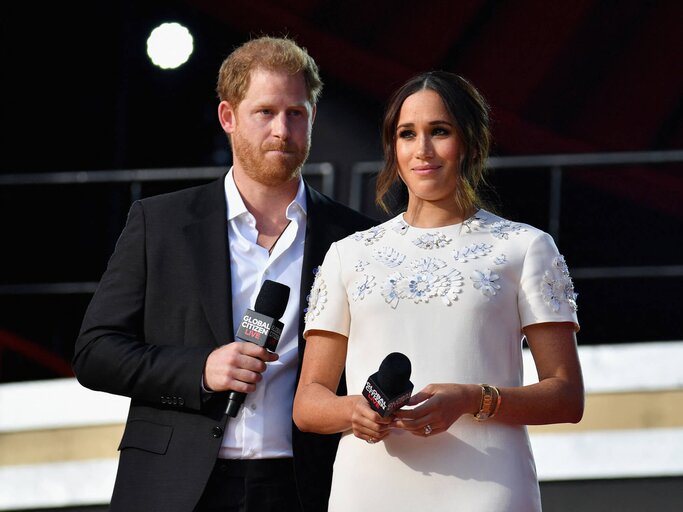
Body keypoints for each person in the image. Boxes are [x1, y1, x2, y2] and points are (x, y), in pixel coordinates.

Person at [72, 36, 374, 512]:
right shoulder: (161, 223)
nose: (282, 129)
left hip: (303, 486)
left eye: (297, 113)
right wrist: (201, 369)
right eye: (265, 112)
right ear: (228, 117)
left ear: (312, 118)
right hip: (175, 486)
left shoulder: (355, 238)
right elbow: (95, 352)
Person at [293, 71, 584, 511]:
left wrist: (472, 398)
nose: (423, 150)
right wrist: (356, 412)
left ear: (467, 141)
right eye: (407, 134)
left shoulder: (525, 247)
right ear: (394, 147)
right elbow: (308, 403)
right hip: (369, 489)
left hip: (487, 485)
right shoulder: (348, 255)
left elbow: (566, 396)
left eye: (440, 131)